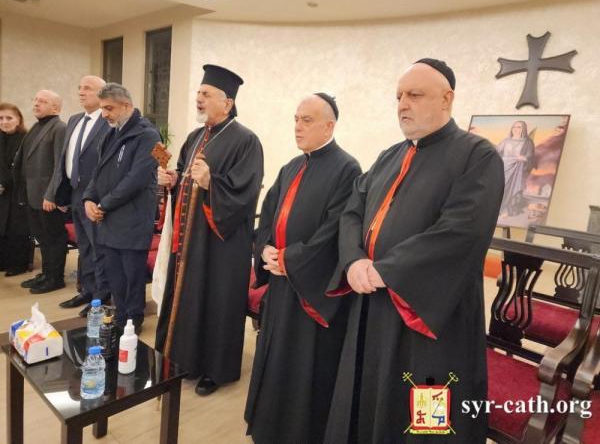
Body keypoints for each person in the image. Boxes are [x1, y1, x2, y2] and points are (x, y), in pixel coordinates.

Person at [324, 59, 504, 443]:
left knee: (425, 415)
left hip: (429, 316)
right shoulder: (389, 156)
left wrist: (384, 269)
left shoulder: (477, 156)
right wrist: (353, 260)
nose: (403, 104)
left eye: (415, 95)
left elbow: (461, 232)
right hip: (372, 304)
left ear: (446, 99)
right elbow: (352, 211)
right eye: (399, 96)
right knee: (367, 403)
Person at [245, 93, 361, 443]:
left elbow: (335, 231)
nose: (297, 127)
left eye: (306, 120)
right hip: (281, 283)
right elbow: (267, 216)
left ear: (329, 125)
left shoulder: (347, 169)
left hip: (311, 289)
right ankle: (269, 425)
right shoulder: (291, 167)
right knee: (275, 355)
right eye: (296, 119)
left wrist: (290, 259)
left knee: (304, 364)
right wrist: (265, 250)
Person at [155, 64, 264, 396]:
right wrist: (172, 180)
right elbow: (183, 176)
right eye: (198, 93)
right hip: (190, 241)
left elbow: (246, 193)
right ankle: (186, 360)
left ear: (227, 103)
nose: (198, 98)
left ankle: (215, 371)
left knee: (217, 303)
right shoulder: (195, 137)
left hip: (221, 245)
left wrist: (211, 183)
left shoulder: (246, 141)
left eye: (206, 94)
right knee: (189, 299)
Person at [82, 83, 159, 334]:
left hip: (132, 218)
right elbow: (98, 172)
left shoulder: (148, 135)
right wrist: (89, 198)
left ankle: (133, 319)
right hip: (109, 218)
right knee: (114, 274)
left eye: (109, 108)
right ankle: (121, 314)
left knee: (132, 275)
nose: (104, 114)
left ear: (126, 106)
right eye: (103, 109)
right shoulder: (111, 132)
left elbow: (136, 180)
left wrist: (103, 204)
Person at [48, 75, 112, 317]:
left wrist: (98, 197)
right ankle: (87, 290)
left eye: (88, 88)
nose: (81, 92)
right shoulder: (75, 120)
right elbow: (65, 158)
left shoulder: (108, 122)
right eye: (80, 88)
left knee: (98, 248)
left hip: (95, 197)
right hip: (75, 193)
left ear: (102, 94)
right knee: (84, 247)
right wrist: (61, 193)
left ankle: (101, 297)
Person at [13, 90, 68, 294]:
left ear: (56, 108)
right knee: (42, 238)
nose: (36, 104)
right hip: (32, 194)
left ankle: (56, 278)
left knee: (54, 237)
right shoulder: (36, 127)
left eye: (42, 101)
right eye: (35, 100)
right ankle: (46, 273)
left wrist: (52, 195)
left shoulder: (60, 128)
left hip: (47, 196)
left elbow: (60, 165)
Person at [0, 103, 30, 276]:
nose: (4, 122)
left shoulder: (25, 139)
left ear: (18, 120)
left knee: (16, 229)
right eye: (1, 118)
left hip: (18, 190)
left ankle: (17, 265)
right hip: (1, 191)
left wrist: (4, 183)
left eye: (9, 118)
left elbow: (21, 167)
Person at [496, 120, 536, 217]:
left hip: (517, 170)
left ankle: (507, 209)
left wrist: (524, 158)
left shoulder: (527, 142)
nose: (515, 129)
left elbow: (531, 156)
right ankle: (495, 209)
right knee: (498, 188)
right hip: (503, 168)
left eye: (519, 127)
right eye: (514, 127)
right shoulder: (506, 141)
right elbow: (496, 152)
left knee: (511, 190)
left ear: (523, 129)